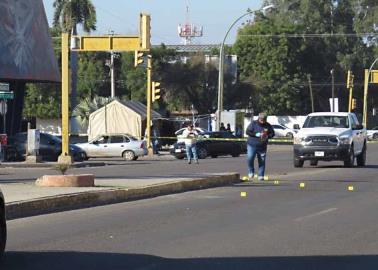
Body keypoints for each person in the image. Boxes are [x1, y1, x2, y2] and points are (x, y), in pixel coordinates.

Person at [246, 113, 275, 181]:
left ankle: (261, 175)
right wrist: (255, 134)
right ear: (258, 119)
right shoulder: (253, 123)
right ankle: (251, 171)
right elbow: (247, 131)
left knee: (262, 160)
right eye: (261, 120)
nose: (262, 121)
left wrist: (268, 136)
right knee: (250, 158)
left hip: (262, 146)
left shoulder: (268, 125)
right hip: (252, 145)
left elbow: (272, 133)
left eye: (264, 120)